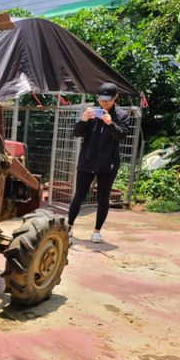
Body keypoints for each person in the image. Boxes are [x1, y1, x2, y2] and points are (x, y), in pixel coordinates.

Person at [67, 82, 131, 243]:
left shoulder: (122, 115)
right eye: (101, 99)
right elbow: (77, 133)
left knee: (103, 198)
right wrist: (82, 120)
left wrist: (110, 124)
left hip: (108, 164)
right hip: (87, 161)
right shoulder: (91, 113)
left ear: (116, 97)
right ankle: (68, 227)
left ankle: (96, 231)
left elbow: (121, 136)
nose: (104, 103)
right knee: (79, 196)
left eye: (108, 100)